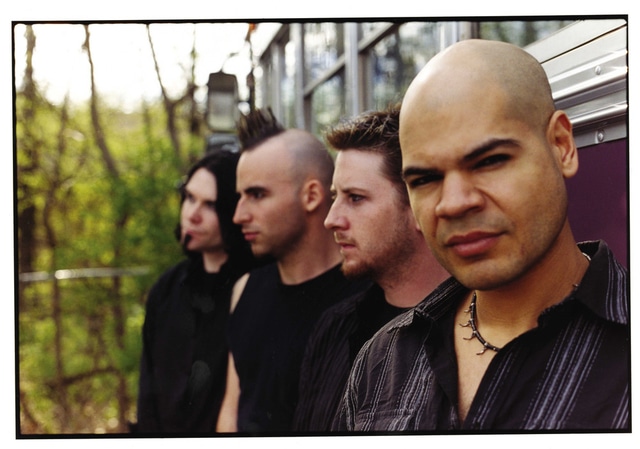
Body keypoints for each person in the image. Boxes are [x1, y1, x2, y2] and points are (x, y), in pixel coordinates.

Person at [335, 39, 629, 431]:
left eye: (490, 161)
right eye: (425, 179)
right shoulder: (383, 361)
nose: (454, 203)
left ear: (561, 146)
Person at [292, 108, 449, 432]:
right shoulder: (335, 327)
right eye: (335, 196)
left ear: (418, 206)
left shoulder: (472, 331)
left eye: (355, 198)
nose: (331, 219)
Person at [215, 108, 369, 433]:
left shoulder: (368, 298)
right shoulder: (245, 289)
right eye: (240, 196)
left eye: (257, 195)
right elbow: (232, 409)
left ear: (311, 196)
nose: (239, 215)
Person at [135, 150, 256, 434]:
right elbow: (148, 395)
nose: (192, 215)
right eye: (189, 198)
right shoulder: (167, 289)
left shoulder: (257, 289)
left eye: (210, 205)